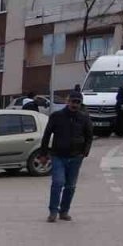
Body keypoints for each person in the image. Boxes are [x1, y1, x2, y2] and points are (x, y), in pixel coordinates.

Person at [41, 92, 93, 222]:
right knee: (58, 183)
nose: (75, 105)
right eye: (73, 101)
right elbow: (47, 135)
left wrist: (84, 152)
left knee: (70, 186)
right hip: (58, 155)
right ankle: (53, 211)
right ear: (67, 101)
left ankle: (64, 211)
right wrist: (43, 154)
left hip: (76, 156)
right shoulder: (56, 116)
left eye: (78, 102)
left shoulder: (84, 118)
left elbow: (89, 136)